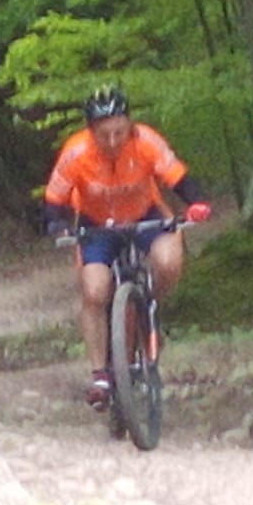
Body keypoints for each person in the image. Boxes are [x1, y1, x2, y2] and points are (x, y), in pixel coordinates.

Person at [42, 85, 212, 410]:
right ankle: (100, 376)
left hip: (145, 214)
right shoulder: (76, 152)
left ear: (130, 125)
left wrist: (197, 202)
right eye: (103, 135)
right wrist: (57, 223)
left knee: (168, 261)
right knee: (94, 290)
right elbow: (54, 198)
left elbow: (177, 177)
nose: (112, 141)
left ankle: (147, 309)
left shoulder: (146, 141)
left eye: (119, 132)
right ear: (90, 132)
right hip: (96, 224)